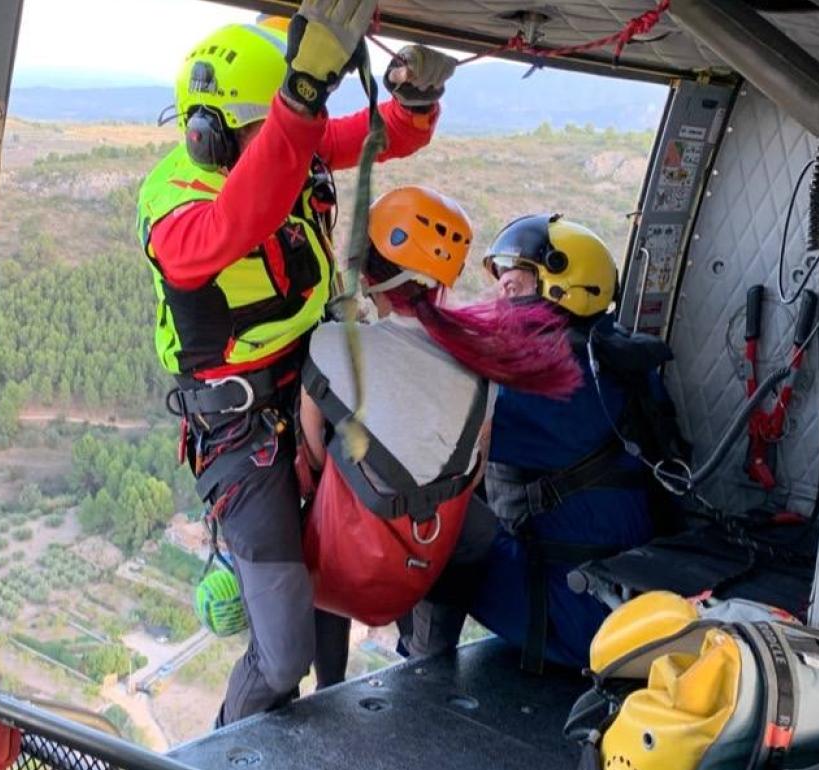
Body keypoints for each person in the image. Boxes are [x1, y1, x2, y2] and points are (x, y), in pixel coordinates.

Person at [135, 0, 459, 725]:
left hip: (311, 396)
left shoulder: (288, 145)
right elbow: (234, 223)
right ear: (207, 135)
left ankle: (349, 706)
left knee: (365, 560)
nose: (279, 145)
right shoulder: (177, 203)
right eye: (260, 129)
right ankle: (222, 750)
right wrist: (299, 103)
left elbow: (383, 138)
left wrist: (416, 96)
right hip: (240, 440)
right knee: (281, 656)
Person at [296, 189, 583, 687]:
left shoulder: (332, 344)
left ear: (370, 276)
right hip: (430, 557)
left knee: (330, 482)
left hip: (348, 564)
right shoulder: (480, 366)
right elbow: (476, 470)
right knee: (471, 527)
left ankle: (328, 686)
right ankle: (428, 661)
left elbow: (314, 449)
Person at [408, 212, 684, 672]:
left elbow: (437, 436)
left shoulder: (549, 383)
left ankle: (419, 670)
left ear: (560, 290)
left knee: (423, 523)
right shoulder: (613, 356)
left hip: (574, 613)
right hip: (623, 597)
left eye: (512, 288)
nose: (499, 297)